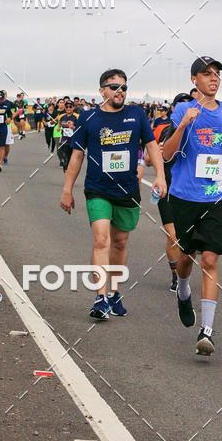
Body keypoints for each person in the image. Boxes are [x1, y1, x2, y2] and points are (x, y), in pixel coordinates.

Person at [60, 69, 167, 320]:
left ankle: (115, 292)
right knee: (101, 240)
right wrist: (67, 189)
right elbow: (77, 155)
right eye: (114, 87)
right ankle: (100, 297)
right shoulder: (88, 117)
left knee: (120, 243)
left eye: (124, 88)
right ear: (102, 91)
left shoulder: (136, 114)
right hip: (97, 189)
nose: (120, 92)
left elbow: (152, 146)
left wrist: (160, 175)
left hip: (127, 189)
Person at [162, 57, 222, 357]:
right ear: (194, 79)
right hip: (185, 195)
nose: (214, 78)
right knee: (187, 256)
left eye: (217, 74)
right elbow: (167, 155)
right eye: (207, 74)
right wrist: (183, 125)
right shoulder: (183, 109)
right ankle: (183, 291)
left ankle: (206, 330)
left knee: (209, 259)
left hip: (216, 195)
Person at [145, 92, 193, 292]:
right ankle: (176, 276)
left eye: (189, 104)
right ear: (174, 109)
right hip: (168, 189)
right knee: (173, 235)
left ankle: (184, 273)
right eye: (180, 105)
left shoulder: (201, 132)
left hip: (192, 191)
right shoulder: (162, 129)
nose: (185, 108)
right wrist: (158, 151)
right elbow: (147, 159)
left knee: (189, 239)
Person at [57, 100, 78, 172]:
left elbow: (81, 128)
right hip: (64, 141)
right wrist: (58, 127)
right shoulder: (61, 117)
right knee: (66, 159)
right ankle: (66, 173)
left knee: (73, 160)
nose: (68, 108)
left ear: (73, 108)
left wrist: (73, 127)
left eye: (70, 107)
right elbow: (59, 123)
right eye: (67, 107)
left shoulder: (77, 117)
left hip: (74, 142)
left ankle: (71, 173)